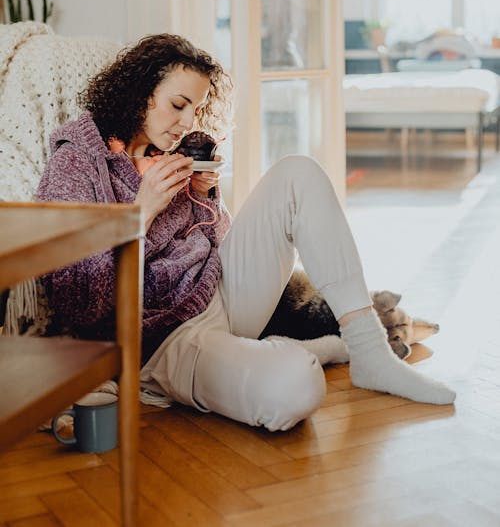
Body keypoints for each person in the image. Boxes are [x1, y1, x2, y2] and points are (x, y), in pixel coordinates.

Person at [36, 34, 455, 432]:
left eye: (195, 110)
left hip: (220, 294)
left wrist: (209, 197)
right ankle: (306, 351)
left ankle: (370, 352)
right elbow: (77, 302)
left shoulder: (170, 154)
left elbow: (220, 244)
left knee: (298, 172)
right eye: (178, 104)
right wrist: (138, 216)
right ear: (139, 92)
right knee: (295, 387)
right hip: (162, 340)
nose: (186, 123)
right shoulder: (76, 165)